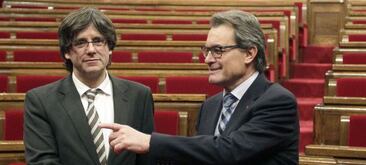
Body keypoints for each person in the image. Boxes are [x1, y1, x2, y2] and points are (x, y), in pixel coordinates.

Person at [100, 10, 299, 165]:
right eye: (207, 50)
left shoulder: (277, 101)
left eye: (218, 50)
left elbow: (229, 152)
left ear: (249, 53)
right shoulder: (211, 106)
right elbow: (199, 157)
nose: (208, 59)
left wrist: (150, 142)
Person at [23, 7, 154, 165]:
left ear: (109, 47)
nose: (91, 50)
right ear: (67, 52)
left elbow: (146, 158)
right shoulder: (40, 100)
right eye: (80, 43)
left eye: (98, 41)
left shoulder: (140, 95)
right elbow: (43, 161)